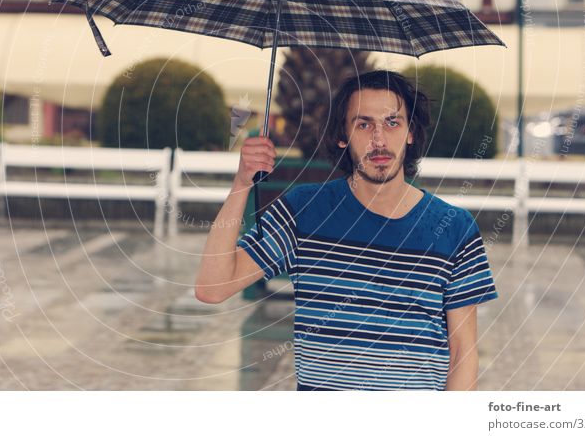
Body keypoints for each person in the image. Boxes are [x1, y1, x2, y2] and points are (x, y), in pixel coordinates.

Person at [194, 70, 498, 391]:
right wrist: (241, 183)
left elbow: (463, 353)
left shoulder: (454, 228)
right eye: (363, 124)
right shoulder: (304, 212)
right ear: (343, 136)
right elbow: (212, 288)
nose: (379, 139)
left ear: (410, 132)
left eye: (392, 122)